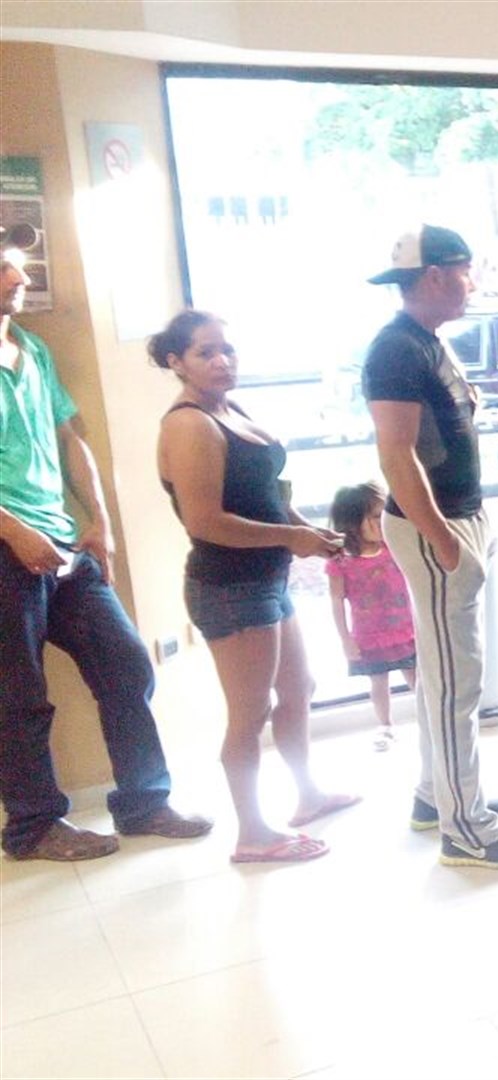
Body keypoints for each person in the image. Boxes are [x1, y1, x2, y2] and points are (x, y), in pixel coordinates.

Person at [0, 247, 213, 862]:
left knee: (126, 666)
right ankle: (32, 828)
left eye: (18, 266)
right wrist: (13, 531)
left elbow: (70, 438)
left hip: (66, 545)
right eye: (2, 270)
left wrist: (99, 523)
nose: (18, 278)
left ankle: (144, 802)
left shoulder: (33, 349)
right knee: (18, 699)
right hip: (5, 551)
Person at [153, 311, 359, 863]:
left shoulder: (229, 407)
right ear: (177, 363)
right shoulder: (189, 423)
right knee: (249, 714)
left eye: (227, 349)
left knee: (299, 689)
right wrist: (292, 535)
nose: (222, 361)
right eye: (205, 353)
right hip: (229, 587)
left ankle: (308, 794)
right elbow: (205, 521)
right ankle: (252, 833)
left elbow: (264, 489)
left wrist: (307, 532)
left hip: (266, 580)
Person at [364, 225, 498, 869]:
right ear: (435, 276)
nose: (473, 281)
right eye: (466, 270)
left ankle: (436, 796)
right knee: (453, 684)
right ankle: (466, 828)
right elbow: (396, 452)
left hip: (456, 519)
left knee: (449, 675)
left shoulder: (426, 342)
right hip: (432, 527)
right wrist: (440, 536)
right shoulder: (395, 350)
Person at [327, 482, 417, 752]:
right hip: (370, 636)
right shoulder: (341, 561)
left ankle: (430, 717)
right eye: (376, 516)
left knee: (416, 676)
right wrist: (345, 639)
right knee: (379, 682)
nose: (383, 522)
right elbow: (336, 601)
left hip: (406, 629)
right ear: (353, 522)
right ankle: (386, 725)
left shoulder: (395, 549)